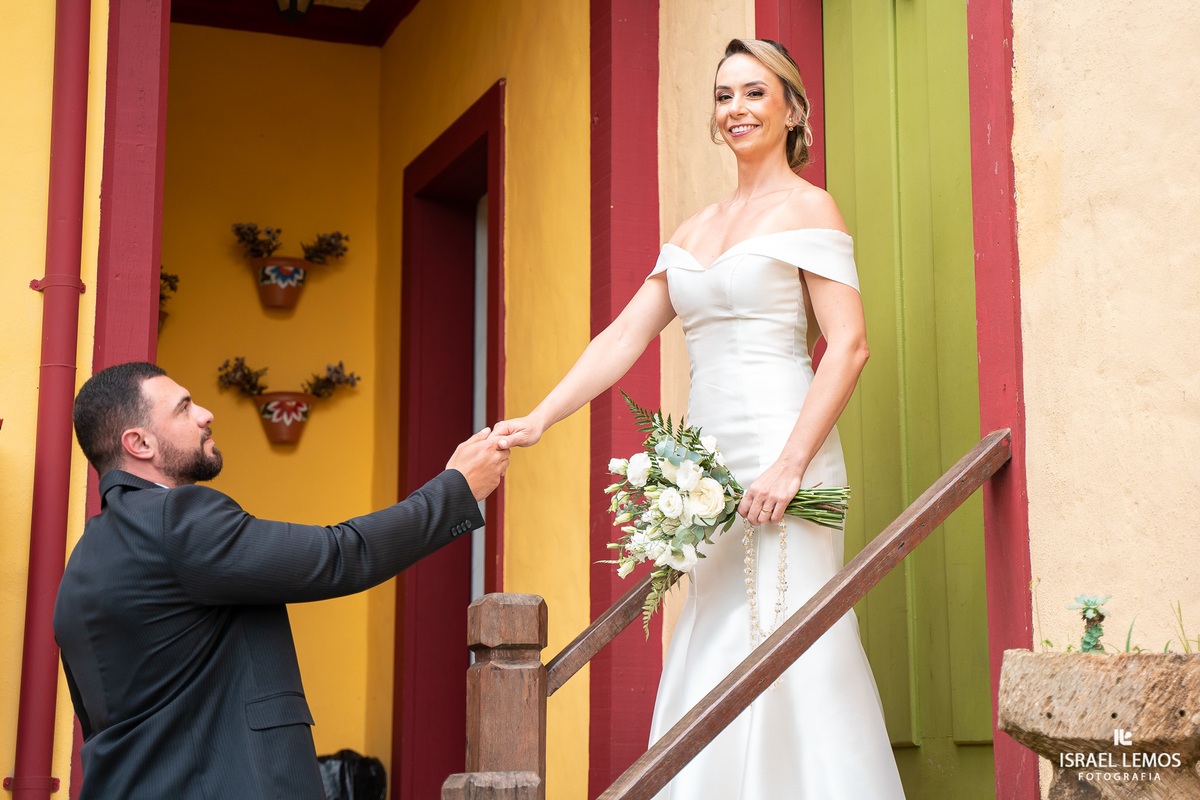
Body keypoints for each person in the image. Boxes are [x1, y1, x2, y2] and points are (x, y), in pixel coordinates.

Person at [493, 39, 905, 798]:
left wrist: (789, 464)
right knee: (715, 627)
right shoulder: (691, 229)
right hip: (705, 468)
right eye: (723, 96)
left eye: (755, 93)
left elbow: (848, 346)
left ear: (792, 109)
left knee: (790, 627)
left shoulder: (809, 208)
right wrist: (540, 417)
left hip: (788, 446)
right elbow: (623, 336)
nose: (737, 109)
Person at [54, 361, 508, 800]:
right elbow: (340, 556)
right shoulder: (175, 519)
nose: (205, 414)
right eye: (183, 407)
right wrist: (456, 489)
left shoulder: (81, 567)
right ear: (140, 443)